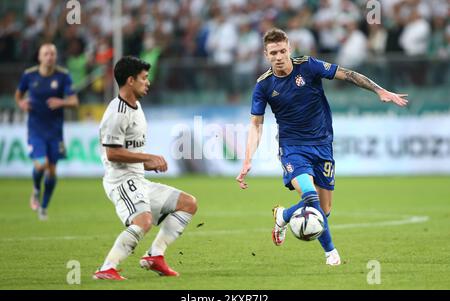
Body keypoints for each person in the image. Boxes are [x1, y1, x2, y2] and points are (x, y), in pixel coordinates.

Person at [236, 28, 408, 266]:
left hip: (322, 146)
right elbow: (256, 125)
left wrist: (379, 90)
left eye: (282, 50)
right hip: (293, 149)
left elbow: (347, 74)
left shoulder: (308, 66)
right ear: (266, 54)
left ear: (290, 48)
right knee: (310, 196)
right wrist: (247, 159)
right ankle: (331, 253)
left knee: (324, 211)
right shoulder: (264, 86)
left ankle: (283, 215)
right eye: (273, 52)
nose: (279, 56)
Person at [93, 56, 198, 280]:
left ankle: (155, 256)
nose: (147, 82)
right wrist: (147, 158)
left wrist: (143, 162)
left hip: (138, 179)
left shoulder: (136, 106)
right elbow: (112, 153)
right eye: (143, 78)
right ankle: (106, 268)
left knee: (188, 204)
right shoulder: (117, 113)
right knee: (143, 221)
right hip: (120, 181)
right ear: (130, 80)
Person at [15, 43, 79, 221]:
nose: (50, 56)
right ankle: (36, 189)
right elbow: (18, 95)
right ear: (40, 57)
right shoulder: (29, 75)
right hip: (35, 129)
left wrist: (62, 102)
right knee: (41, 164)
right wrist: (21, 103)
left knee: (51, 172)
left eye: (52, 53)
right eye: (46, 54)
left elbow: (74, 101)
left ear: (56, 56)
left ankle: (43, 207)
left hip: (55, 131)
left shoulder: (63, 76)